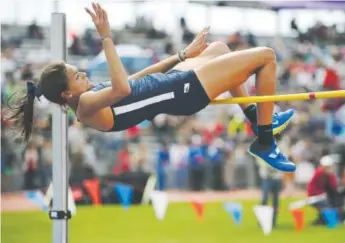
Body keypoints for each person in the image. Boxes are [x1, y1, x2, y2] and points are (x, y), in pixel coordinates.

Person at [6, 3, 295, 172]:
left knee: (218, 47)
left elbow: (141, 76)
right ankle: (265, 141)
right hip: (183, 91)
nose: (82, 73)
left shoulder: (93, 93)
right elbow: (124, 89)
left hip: (174, 81)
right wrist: (106, 38)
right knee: (266, 56)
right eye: (76, 74)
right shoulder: (85, 106)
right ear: (67, 94)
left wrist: (182, 55)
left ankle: (256, 119)